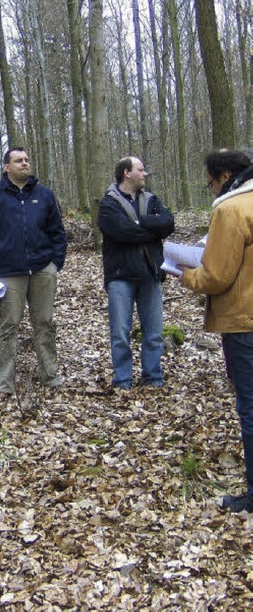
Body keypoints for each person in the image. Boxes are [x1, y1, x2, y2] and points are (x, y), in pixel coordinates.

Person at [180, 149, 253, 513]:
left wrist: (185, 273)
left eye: (210, 181)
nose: (209, 189)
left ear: (224, 177)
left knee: (250, 406)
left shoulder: (231, 209)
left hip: (244, 321)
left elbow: (216, 276)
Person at [0, 147, 67, 396]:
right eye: (18, 161)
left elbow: (57, 232)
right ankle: (3, 382)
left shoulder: (44, 194)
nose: (25, 164)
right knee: (9, 325)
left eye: (27, 160)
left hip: (42, 270)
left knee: (44, 323)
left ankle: (49, 374)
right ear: (6, 167)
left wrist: (55, 263)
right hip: (8, 272)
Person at [97, 156, 175, 389]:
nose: (145, 174)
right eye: (141, 169)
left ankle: (153, 377)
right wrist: (152, 230)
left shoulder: (151, 200)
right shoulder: (108, 204)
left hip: (150, 273)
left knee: (154, 332)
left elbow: (168, 223)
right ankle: (123, 379)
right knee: (120, 333)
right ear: (127, 173)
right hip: (120, 276)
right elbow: (121, 232)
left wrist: (142, 224)